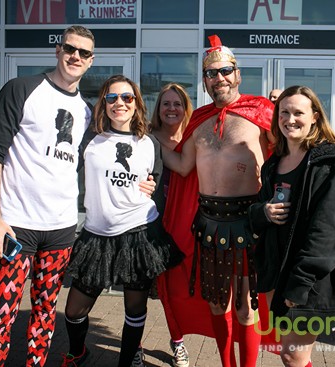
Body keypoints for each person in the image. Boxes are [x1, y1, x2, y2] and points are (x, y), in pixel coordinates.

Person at [0, 25, 97, 367]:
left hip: (60, 230)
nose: (75, 56)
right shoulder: (22, 89)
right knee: (2, 315)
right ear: (58, 51)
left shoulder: (87, 110)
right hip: (15, 225)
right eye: (70, 49)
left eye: (83, 53)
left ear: (91, 61)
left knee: (45, 315)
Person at [157, 35, 275, 367]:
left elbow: (296, 147)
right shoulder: (199, 122)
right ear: (205, 80)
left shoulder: (261, 112)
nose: (218, 78)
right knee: (216, 304)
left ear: (237, 75)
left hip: (247, 223)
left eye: (225, 71)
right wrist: (147, 140)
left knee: (244, 306)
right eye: (211, 73)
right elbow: (182, 167)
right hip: (208, 224)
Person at [60, 75, 184, 367]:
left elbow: (154, 182)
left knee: (135, 307)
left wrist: (152, 189)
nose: (120, 103)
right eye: (112, 98)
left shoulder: (149, 143)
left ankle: (127, 361)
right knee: (74, 309)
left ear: (136, 103)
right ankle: (78, 351)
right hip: (97, 235)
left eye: (127, 97)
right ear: (103, 103)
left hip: (139, 233)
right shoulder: (89, 138)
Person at [249, 86, 335, 367]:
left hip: (308, 278)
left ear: (314, 117)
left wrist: (300, 284)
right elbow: (256, 211)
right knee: (289, 354)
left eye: (298, 112)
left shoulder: (330, 166)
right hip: (277, 271)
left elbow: (328, 232)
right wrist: (263, 213)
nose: (290, 119)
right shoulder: (273, 164)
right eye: (284, 112)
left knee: (294, 356)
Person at [149, 82, 193, 367]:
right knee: (145, 289)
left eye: (177, 103)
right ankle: (135, 344)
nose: (172, 108)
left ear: (185, 108)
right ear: (159, 109)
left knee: (178, 288)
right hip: (150, 223)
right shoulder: (144, 138)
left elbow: (185, 167)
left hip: (187, 224)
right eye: (166, 103)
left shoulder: (194, 136)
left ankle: (178, 340)